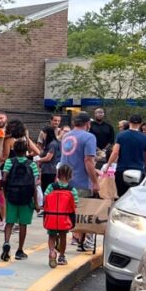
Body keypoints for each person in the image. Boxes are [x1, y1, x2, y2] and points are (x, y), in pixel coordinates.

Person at [60, 112, 100, 252]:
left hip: (65, 180)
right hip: (81, 180)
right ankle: (81, 242)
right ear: (87, 123)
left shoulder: (66, 136)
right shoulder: (89, 137)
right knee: (83, 212)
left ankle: (72, 237)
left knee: (68, 211)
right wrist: (95, 182)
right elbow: (88, 161)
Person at [0, 139, 40, 262]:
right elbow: (35, 184)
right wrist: (36, 202)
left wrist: (5, 193)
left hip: (11, 196)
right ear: (26, 151)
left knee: (9, 222)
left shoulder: (9, 162)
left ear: (14, 150)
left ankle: (6, 242)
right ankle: (20, 250)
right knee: (23, 224)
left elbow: (4, 179)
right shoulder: (32, 164)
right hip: (27, 198)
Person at [43, 164, 80, 267]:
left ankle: (52, 252)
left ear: (58, 175)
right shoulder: (71, 189)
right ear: (70, 176)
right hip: (64, 218)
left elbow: (45, 199)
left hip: (52, 217)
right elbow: (75, 204)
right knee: (63, 236)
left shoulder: (51, 187)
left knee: (52, 236)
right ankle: (62, 256)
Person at [107, 114, 146, 197]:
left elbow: (115, 152)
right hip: (138, 170)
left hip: (122, 169)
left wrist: (108, 166)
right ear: (140, 124)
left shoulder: (121, 135)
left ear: (129, 122)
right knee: (135, 196)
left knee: (121, 196)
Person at [37, 126, 61, 194]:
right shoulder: (48, 144)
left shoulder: (53, 144)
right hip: (45, 170)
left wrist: (38, 160)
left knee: (47, 190)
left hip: (49, 171)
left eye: (43, 134)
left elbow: (48, 158)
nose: (42, 136)